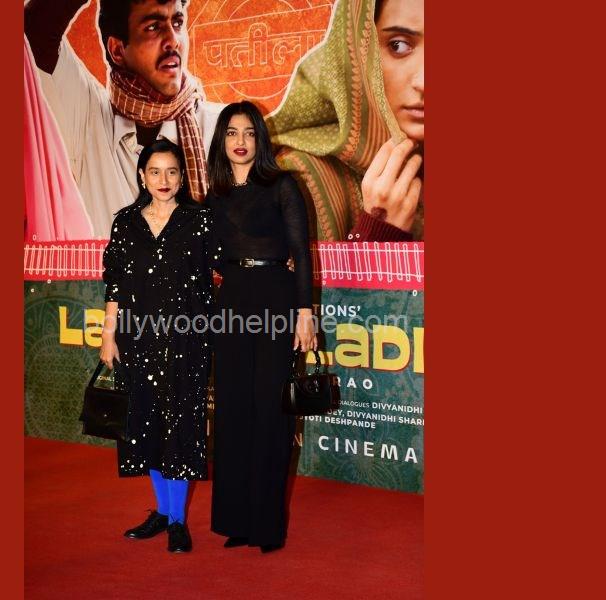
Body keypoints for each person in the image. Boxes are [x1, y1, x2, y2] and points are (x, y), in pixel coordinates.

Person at [206, 101, 316, 553]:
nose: (241, 142)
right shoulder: (214, 194)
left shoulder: (282, 186)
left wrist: (304, 312)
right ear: (222, 140)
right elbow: (208, 254)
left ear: (260, 139)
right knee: (233, 411)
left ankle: (267, 526)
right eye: (232, 133)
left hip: (276, 300)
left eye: (249, 133)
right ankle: (237, 521)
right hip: (231, 302)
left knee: (270, 411)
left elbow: (301, 252)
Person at [98, 139, 217, 553]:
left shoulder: (199, 220)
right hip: (137, 338)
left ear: (182, 177)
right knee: (146, 423)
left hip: (187, 339)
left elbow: (226, 264)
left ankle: (178, 521)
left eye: (171, 172)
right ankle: (163, 513)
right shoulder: (125, 222)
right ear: (142, 176)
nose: (163, 180)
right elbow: (115, 283)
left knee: (180, 426)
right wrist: (108, 335)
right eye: (154, 171)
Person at [24, 0, 225, 237]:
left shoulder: (222, 131)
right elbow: (36, 29)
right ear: (117, 50)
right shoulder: (90, 120)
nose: (173, 41)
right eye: (153, 27)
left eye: (177, 23)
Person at [268, 0, 424, 242]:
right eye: (398, 45)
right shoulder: (301, 177)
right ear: (358, 53)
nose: (423, 82)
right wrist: (378, 231)